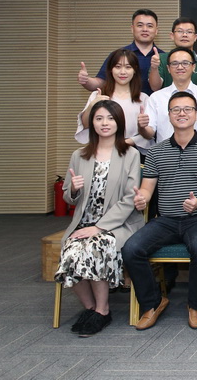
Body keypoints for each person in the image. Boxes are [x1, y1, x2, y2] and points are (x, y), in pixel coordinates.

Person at [122, 91, 197, 330]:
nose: (182, 113)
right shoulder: (156, 151)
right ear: (168, 115)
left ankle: (195, 305)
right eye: (176, 109)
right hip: (166, 219)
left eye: (187, 109)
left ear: (196, 114)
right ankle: (153, 303)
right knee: (131, 249)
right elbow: (147, 189)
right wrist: (141, 199)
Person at [57, 100, 144, 336]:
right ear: (92, 124)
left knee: (95, 247)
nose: (105, 123)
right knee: (71, 251)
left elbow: (130, 198)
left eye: (110, 118)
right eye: (99, 118)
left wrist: (99, 227)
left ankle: (103, 310)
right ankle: (90, 308)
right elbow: (68, 198)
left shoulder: (130, 154)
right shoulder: (79, 155)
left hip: (117, 224)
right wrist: (73, 189)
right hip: (83, 223)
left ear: (119, 123)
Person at [75, 48, 151, 154]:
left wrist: (127, 142)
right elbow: (85, 125)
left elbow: (149, 132)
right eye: (118, 67)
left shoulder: (144, 98)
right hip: (102, 151)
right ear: (111, 69)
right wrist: (93, 104)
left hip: (134, 151)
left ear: (135, 70)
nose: (123, 72)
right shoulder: (98, 95)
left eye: (128, 67)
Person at [139, 47, 197, 144]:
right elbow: (149, 133)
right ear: (168, 68)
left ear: (193, 67)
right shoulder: (156, 98)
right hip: (165, 152)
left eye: (185, 63)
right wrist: (142, 127)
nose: (180, 67)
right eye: (175, 63)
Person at [78, 8, 160, 95]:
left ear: (156, 31)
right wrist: (86, 80)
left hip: (157, 103)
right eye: (140, 25)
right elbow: (100, 82)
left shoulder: (163, 56)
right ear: (132, 29)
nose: (145, 29)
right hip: (123, 102)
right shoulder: (118, 55)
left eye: (150, 26)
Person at [149, 17, 197, 90]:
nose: (184, 35)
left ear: (195, 37)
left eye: (189, 32)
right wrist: (154, 68)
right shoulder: (161, 59)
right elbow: (155, 87)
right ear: (172, 36)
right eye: (180, 31)